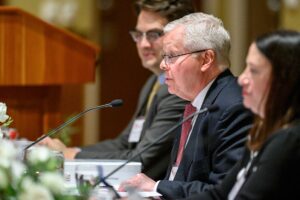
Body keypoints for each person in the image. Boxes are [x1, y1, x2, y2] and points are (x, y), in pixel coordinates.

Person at [40, 0, 195, 180]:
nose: (143, 44)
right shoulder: (154, 82)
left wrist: (72, 156)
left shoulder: (178, 90)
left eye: (154, 34)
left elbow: (142, 159)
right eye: (138, 34)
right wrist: (72, 151)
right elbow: (125, 143)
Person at [118, 12, 253, 199]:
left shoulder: (233, 107)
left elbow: (223, 190)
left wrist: (156, 186)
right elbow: (179, 178)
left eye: (171, 56)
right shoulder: (195, 101)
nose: (164, 65)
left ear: (206, 59)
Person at [180, 30, 300, 200]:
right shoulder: (261, 131)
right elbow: (219, 194)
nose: (242, 78)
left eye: (254, 70)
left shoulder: (288, 141)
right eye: (246, 67)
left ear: (284, 80)